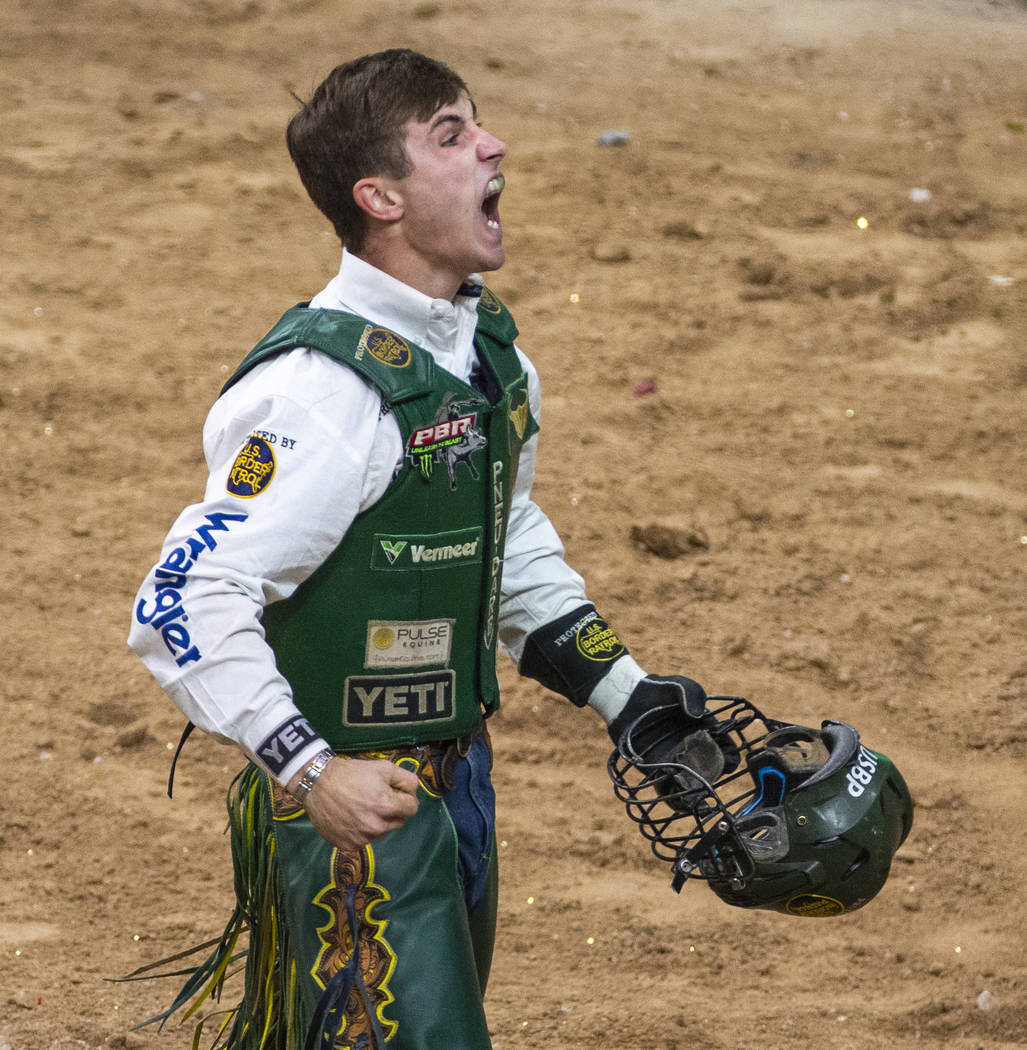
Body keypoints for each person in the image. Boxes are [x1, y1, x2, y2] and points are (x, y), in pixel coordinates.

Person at [127, 48, 711, 1050]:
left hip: (455, 780)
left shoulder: (485, 355)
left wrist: (626, 696)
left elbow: (501, 534)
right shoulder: (323, 392)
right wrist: (309, 771)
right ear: (379, 196)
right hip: (355, 808)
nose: (493, 144)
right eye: (449, 134)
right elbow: (180, 599)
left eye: (476, 122)